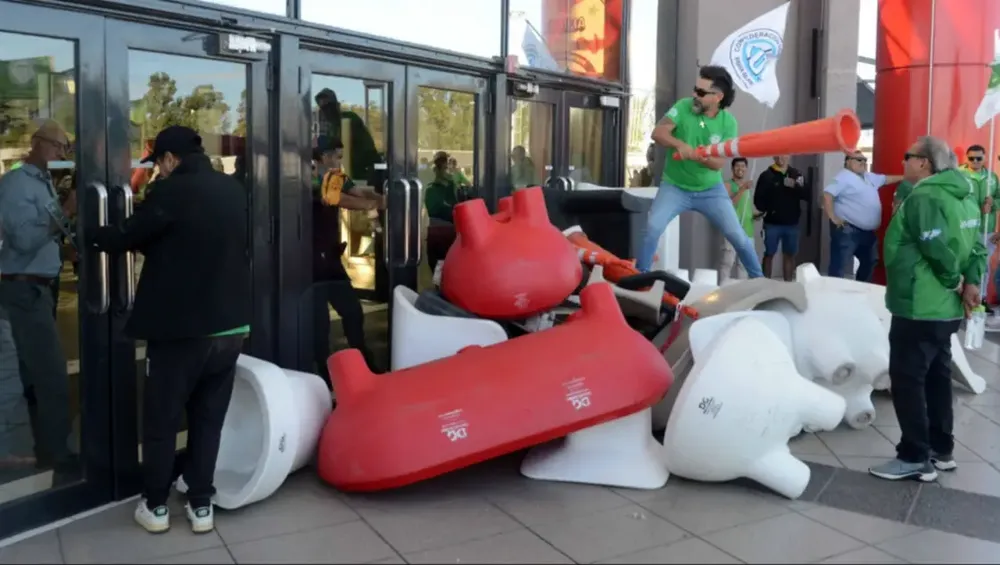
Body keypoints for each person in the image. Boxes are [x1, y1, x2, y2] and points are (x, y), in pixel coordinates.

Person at [89, 126, 251, 534]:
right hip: (231, 328)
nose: (158, 171)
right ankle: (200, 505)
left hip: (181, 333)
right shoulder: (233, 191)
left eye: (158, 164)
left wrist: (90, 235)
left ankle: (156, 505)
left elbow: (129, 234)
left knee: (161, 422)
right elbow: (195, 242)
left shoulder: (170, 192)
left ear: (168, 159)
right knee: (208, 419)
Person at [870, 136, 986, 482]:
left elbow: (935, 246)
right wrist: (972, 283)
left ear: (924, 162)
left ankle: (914, 456)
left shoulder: (924, 195)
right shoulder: (964, 195)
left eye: (908, 157)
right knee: (937, 376)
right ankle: (941, 449)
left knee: (907, 379)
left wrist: (954, 281)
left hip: (920, 305)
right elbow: (976, 248)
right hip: (945, 309)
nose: (903, 162)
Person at [0, 120, 76, 480]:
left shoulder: (42, 183)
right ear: (36, 142)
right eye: (58, 146)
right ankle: (59, 455)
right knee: (50, 376)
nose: (62, 154)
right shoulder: (16, 184)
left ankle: (44, 449)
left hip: (40, 287)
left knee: (34, 376)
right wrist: (67, 210)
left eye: (65, 149)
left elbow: (45, 236)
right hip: (24, 289)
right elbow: (25, 240)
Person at [638, 65, 764, 277]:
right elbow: (658, 132)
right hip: (675, 186)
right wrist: (679, 144)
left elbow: (718, 164)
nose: (694, 95)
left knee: (738, 236)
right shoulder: (684, 106)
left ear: (718, 97)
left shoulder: (728, 123)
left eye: (701, 92)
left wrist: (697, 154)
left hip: (710, 190)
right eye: (695, 89)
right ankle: (641, 277)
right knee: (653, 227)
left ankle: (760, 281)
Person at [312, 141, 381, 380]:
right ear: (323, 156)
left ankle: (361, 358)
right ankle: (323, 371)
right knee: (318, 321)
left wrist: (382, 198)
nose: (340, 161)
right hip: (309, 257)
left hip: (330, 257)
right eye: (337, 156)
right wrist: (369, 205)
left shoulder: (337, 175)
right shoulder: (310, 176)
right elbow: (336, 199)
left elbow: (357, 193)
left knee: (352, 311)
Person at [823, 151, 904, 281]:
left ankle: (860, 291)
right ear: (848, 161)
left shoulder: (868, 177)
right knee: (839, 267)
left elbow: (886, 179)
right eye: (859, 160)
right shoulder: (843, 176)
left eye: (864, 160)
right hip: (848, 230)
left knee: (870, 262)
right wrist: (833, 218)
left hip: (868, 233)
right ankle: (834, 296)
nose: (863, 163)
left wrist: (907, 177)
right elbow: (827, 195)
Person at [958, 145, 1000, 326]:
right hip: (966, 228)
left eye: (979, 158)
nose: (975, 162)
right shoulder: (958, 175)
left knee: (984, 266)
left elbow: (999, 198)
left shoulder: (992, 177)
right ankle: (961, 300)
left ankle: (980, 299)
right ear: (966, 158)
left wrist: (993, 203)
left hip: (986, 230)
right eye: (971, 158)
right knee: (964, 265)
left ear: (984, 158)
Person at [753, 155, 808, 281]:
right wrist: (767, 209)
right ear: (773, 157)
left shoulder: (796, 174)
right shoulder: (766, 175)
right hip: (772, 223)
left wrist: (796, 186)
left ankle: (788, 284)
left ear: (788, 156)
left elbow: (807, 194)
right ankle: (765, 283)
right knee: (769, 254)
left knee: (789, 255)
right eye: (778, 156)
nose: (781, 159)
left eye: (784, 156)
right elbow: (758, 199)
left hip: (792, 223)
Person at [314, 88, 379, 183]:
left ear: (337, 106)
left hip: (366, 172)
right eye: (323, 108)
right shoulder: (332, 127)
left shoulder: (349, 119)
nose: (326, 112)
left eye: (329, 107)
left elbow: (335, 143)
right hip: (351, 174)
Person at [718, 158, 757, 282]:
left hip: (747, 230)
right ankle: (722, 290)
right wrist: (742, 189)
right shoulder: (728, 184)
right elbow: (730, 203)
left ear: (746, 169)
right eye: (737, 166)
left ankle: (741, 290)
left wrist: (755, 215)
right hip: (732, 228)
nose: (740, 169)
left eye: (743, 166)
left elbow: (745, 207)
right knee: (728, 262)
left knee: (744, 264)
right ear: (732, 168)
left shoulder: (746, 187)